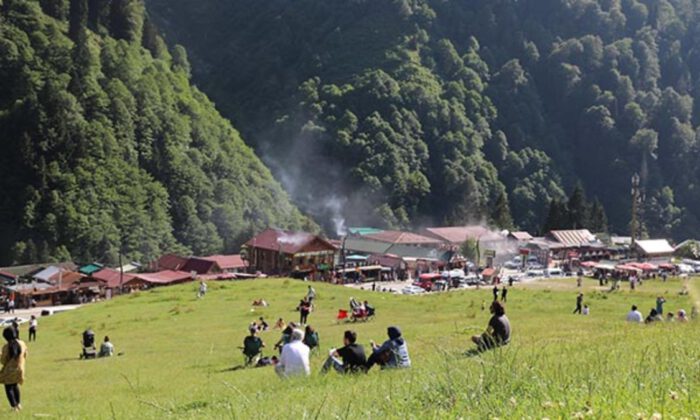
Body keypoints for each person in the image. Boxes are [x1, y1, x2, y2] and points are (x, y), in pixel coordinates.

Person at [0, 327, 27, 411]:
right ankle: (18, 404)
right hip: (20, 369)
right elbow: (25, 354)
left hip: (9, 370)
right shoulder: (22, 343)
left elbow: (3, 361)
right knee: (15, 386)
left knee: (9, 388)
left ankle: (14, 406)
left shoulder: (6, 346)